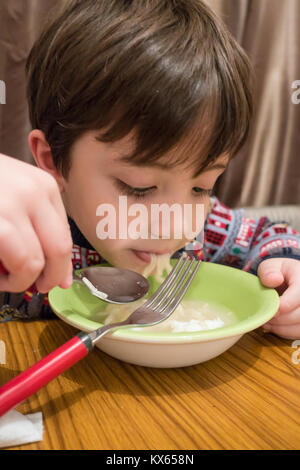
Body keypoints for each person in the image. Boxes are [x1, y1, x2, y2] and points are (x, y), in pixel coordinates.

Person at [0, 0, 299, 339]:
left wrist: (288, 271)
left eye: (201, 187)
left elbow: (267, 235)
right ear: (53, 160)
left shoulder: (201, 231)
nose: (175, 223)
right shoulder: (21, 233)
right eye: (138, 188)